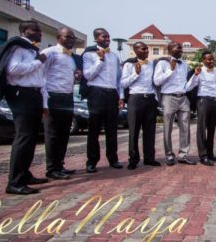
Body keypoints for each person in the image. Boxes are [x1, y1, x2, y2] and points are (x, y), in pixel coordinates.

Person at [2, 21, 49, 194]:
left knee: (31, 138)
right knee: (23, 137)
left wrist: (44, 102)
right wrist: (38, 62)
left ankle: (25, 174)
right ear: (24, 31)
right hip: (22, 95)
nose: (39, 33)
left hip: (34, 95)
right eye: (35, 30)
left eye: (40, 30)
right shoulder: (18, 47)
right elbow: (13, 69)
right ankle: (14, 182)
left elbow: (40, 78)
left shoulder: (33, 50)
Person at [41, 27, 81, 180]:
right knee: (52, 134)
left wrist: (77, 76)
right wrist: (44, 100)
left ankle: (60, 165)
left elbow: (71, 77)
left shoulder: (71, 57)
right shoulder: (49, 52)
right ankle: (51, 169)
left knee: (64, 133)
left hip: (67, 96)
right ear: (58, 37)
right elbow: (41, 74)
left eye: (72, 37)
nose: (71, 40)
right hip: (53, 96)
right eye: (67, 37)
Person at [82, 28, 124, 173]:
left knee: (112, 129)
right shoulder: (89, 54)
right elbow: (88, 75)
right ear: (96, 38)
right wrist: (100, 60)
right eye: (103, 36)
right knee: (94, 129)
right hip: (96, 92)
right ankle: (92, 161)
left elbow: (119, 79)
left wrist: (121, 96)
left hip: (112, 93)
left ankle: (113, 159)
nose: (106, 38)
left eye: (108, 36)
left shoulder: (114, 56)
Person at [153, 42, 196, 166]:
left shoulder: (184, 64)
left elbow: (186, 85)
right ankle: (169, 155)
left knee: (185, 128)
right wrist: (170, 70)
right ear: (171, 49)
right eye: (178, 47)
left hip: (183, 97)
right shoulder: (162, 63)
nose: (181, 49)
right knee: (168, 128)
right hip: (168, 97)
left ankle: (183, 154)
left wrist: (194, 77)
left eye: (181, 47)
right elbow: (156, 81)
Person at [121, 42, 161, 170]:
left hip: (149, 99)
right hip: (135, 98)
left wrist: (155, 98)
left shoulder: (151, 65)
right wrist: (135, 74)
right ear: (135, 50)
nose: (146, 51)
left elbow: (154, 83)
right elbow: (123, 83)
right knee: (134, 131)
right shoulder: (129, 64)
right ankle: (133, 159)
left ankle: (149, 158)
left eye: (147, 49)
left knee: (150, 131)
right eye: (143, 49)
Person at [186, 50, 216, 166]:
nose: (211, 61)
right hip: (203, 101)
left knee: (212, 129)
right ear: (203, 60)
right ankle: (203, 156)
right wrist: (195, 75)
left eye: (212, 59)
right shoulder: (199, 71)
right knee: (202, 129)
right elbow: (188, 87)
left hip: (214, 101)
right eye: (209, 59)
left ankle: (210, 153)